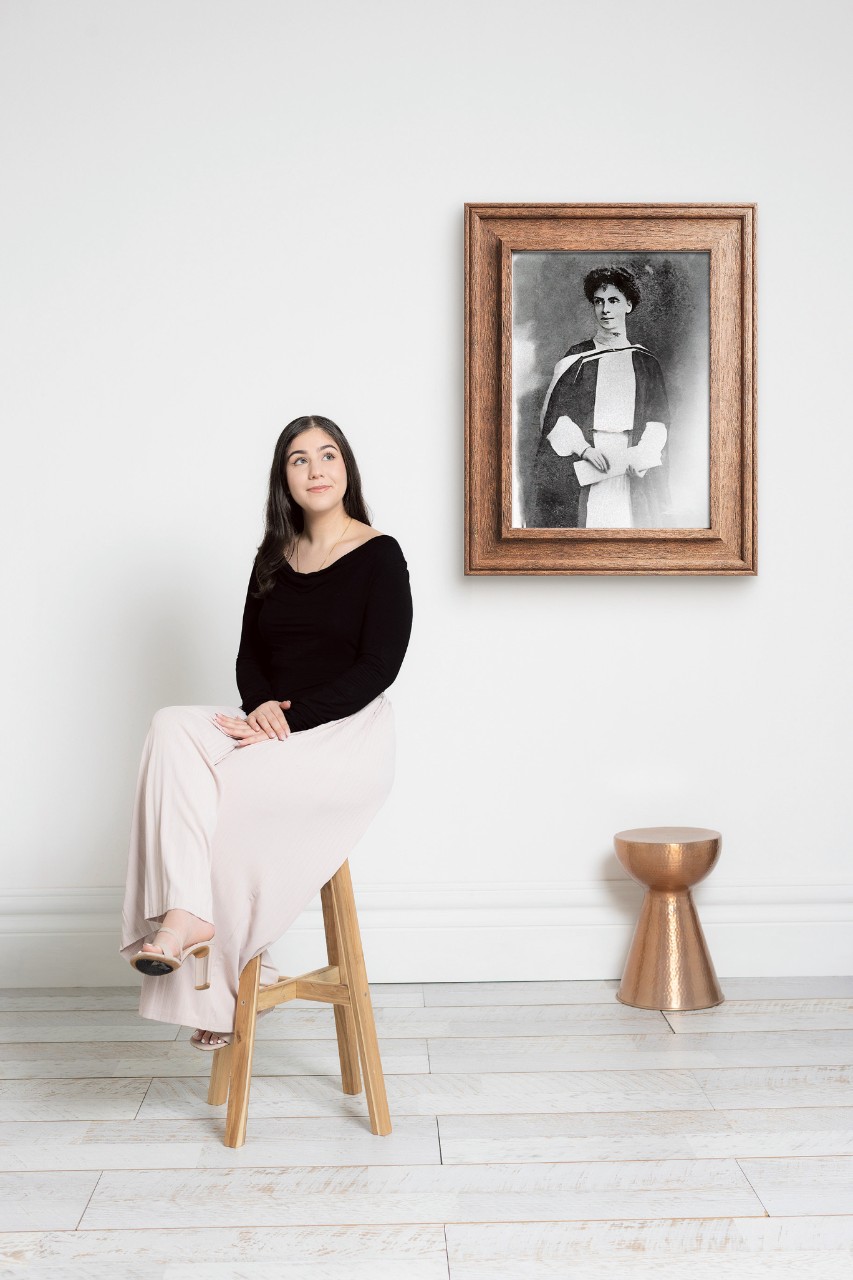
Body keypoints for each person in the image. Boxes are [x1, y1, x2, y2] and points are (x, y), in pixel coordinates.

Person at [119, 415, 413, 1049]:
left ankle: (219, 977)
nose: (316, 469)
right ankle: (188, 916)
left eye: (327, 455)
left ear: (346, 469)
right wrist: (260, 712)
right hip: (274, 725)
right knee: (172, 728)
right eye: (299, 460)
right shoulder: (271, 557)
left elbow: (379, 666)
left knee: (222, 787)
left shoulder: (379, 554)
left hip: (346, 734)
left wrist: (289, 718)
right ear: (285, 478)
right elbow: (250, 656)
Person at [530, 266, 671, 529]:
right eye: (599, 302)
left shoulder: (644, 361)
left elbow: (657, 418)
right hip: (588, 462)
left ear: (628, 305)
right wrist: (584, 450)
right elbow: (555, 416)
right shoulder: (577, 358)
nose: (605, 310)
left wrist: (643, 455)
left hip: (631, 462)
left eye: (613, 301)